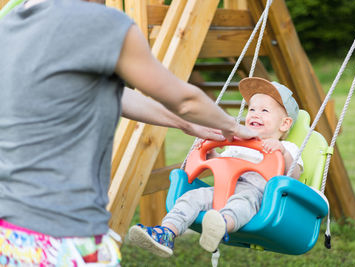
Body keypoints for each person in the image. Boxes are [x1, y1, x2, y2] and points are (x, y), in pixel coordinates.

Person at [0, 0, 258, 265]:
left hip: (8, 230)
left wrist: (186, 125)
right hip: (63, 233)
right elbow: (185, 101)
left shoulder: (11, 19)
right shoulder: (101, 23)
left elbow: (112, 93)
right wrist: (233, 126)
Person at [129, 77, 304, 258]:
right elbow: (224, 163)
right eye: (252, 109)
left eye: (264, 110)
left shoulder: (287, 148)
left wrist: (282, 153)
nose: (255, 114)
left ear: (284, 124)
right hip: (221, 191)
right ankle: (166, 233)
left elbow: (294, 176)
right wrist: (211, 155)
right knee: (191, 197)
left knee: (242, 202)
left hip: (257, 197)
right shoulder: (239, 144)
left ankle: (220, 225)